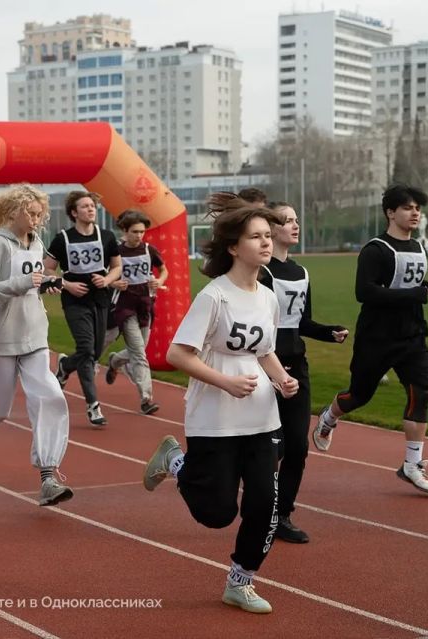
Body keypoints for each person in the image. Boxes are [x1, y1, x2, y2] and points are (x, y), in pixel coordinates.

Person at [142, 195, 297, 614]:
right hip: (215, 416)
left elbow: (264, 350)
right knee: (216, 513)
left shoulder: (267, 296)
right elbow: (178, 355)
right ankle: (174, 460)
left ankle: (240, 581)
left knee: (266, 503)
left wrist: (281, 378)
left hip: (261, 416)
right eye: (257, 237)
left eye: (269, 235)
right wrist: (226, 382)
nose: (267, 243)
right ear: (233, 246)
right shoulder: (215, 296)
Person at [312, 184, 428, 495]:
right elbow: (366, 291)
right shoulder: (375, 250)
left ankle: (412, 464)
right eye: (408, 207)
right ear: (391, 212)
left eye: (418, 208)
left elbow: (409, 282)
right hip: (377, 338)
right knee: (359, 396)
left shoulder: (418, 248)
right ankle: (329, 415)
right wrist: (414, 293)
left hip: (413, 336)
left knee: (421, 393)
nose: (415, 213)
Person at [0, 184, 72, 507]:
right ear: (14, 210)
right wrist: (25, 283)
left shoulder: (36, 244)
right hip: (2, 335)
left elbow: (33, 281)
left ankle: (48, 474)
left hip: (34, 332)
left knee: (49, 394)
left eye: (40, 214)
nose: (36, 220)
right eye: (31, 213)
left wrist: (45, 285)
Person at [258, 202, 349, 544]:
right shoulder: (261, 273)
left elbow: (301, 321)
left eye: (297, 220)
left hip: (298, 368)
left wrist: (328, 332)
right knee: (270, 447)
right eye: (287, 221)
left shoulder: (302, 272)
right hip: (265, 368)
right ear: (271, 229)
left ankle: (282, 515)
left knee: (297, 446)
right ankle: (259, 505)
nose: (295, 226)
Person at [45, 191, 122, 427]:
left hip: (100, 298)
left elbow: (117, 267)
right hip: (74, 300)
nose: (91, 209)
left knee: (95, 351)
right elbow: (48, 269)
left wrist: (107, 280)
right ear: (73, 212)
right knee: (87, 350)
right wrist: (67, 284)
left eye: (92, 206)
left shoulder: (107, 236)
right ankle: (93, 405)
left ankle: (66, 365)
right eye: (85, 206)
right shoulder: (63, 239)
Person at [103, 210, 169, 415]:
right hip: (125, 306)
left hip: (145, 305)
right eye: (134, 232)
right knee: (140, 353)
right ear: (124, 230)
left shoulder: (149, 249)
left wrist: (159, 281)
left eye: (142, 231)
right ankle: (146, 398)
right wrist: (114, 282)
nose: (139, 235)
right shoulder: (116, 252)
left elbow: (164, 270)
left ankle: (115, 361)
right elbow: (104, 275)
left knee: (139, 348)